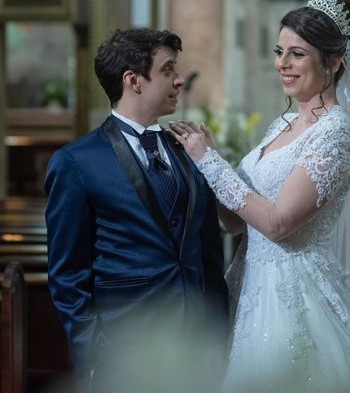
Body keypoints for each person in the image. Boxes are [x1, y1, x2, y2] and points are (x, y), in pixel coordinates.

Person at [170, 0, 350, 392]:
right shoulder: (282, 126)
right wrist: (198, 172)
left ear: (335, 61)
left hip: (295, 295)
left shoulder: (338, 132)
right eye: (279, 51)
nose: (282, 64)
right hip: (248, 283)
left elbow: (278, 223)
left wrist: (211, 163)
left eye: (297, 54)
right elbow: (237, 223)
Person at [45, 28, 228, 391]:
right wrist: (92, 355)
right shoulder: (76, 162)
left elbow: (209, 252)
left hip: (196, 346)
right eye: (167, 70)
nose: (178, 80)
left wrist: (219, 335)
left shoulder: (188, 149)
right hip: (124, 347)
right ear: (133, 81)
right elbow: (67, 274)